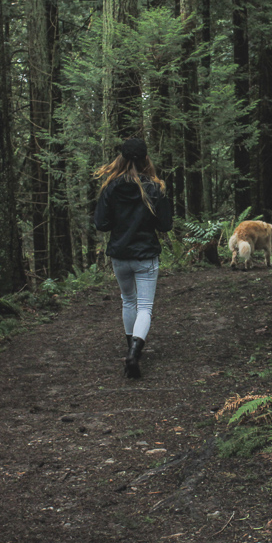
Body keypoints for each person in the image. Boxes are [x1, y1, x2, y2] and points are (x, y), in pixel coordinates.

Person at [93, 138, 173, 378]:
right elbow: (166, 225)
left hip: (120, 255)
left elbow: (101, 223)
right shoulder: (155, 187)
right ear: (145, 159)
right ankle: (134, 354)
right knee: (145, 307)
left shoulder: (111, 187)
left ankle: (131, 350)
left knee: (128, 300)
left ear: (122, 159)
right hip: (146, 255)